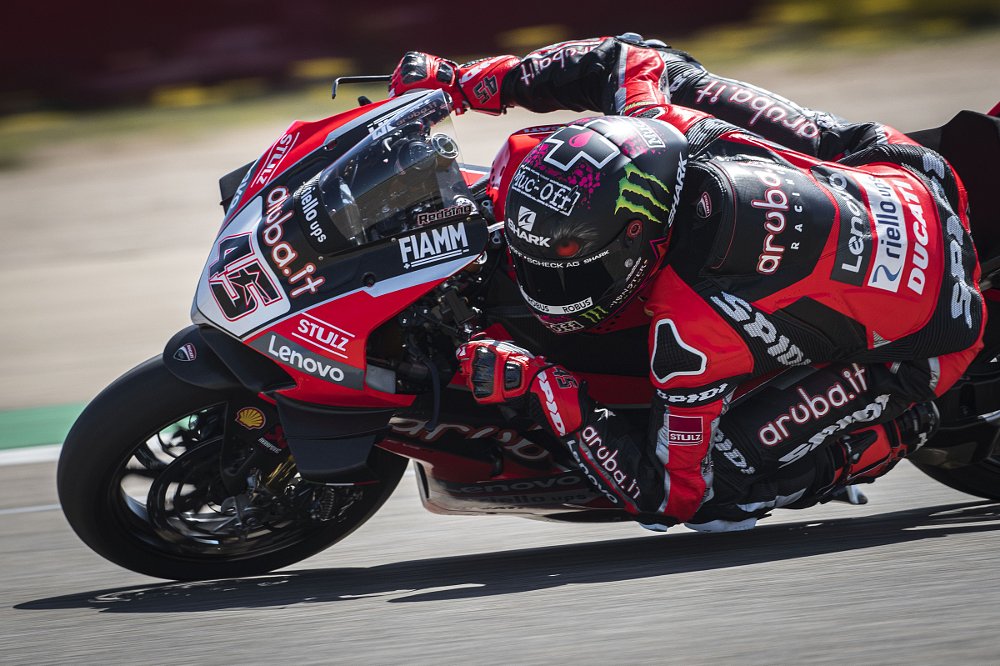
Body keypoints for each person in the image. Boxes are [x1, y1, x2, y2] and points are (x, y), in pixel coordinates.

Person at [388, 34, 986, 531]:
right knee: (708, 86)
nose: (540, 278)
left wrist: (549, 387)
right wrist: (468, 84)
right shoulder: (662, 122)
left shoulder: (690, 334)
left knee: (722, 492)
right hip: (920, 175)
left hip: (937, 340)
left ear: (637, 243)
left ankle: (884, 438)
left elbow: (670, 495)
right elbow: (621, 58)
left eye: (570, 261)